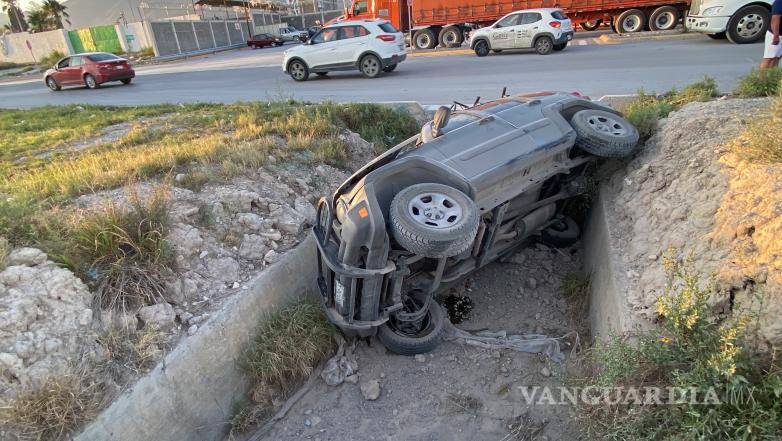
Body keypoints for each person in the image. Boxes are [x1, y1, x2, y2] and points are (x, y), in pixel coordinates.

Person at [761, 0, 782, 70]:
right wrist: (776, 36)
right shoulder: (779, 2)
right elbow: (775, 19)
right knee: (769, 58)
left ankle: (772, 77)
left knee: (777, 58)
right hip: (775, 34)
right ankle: (761, 80)